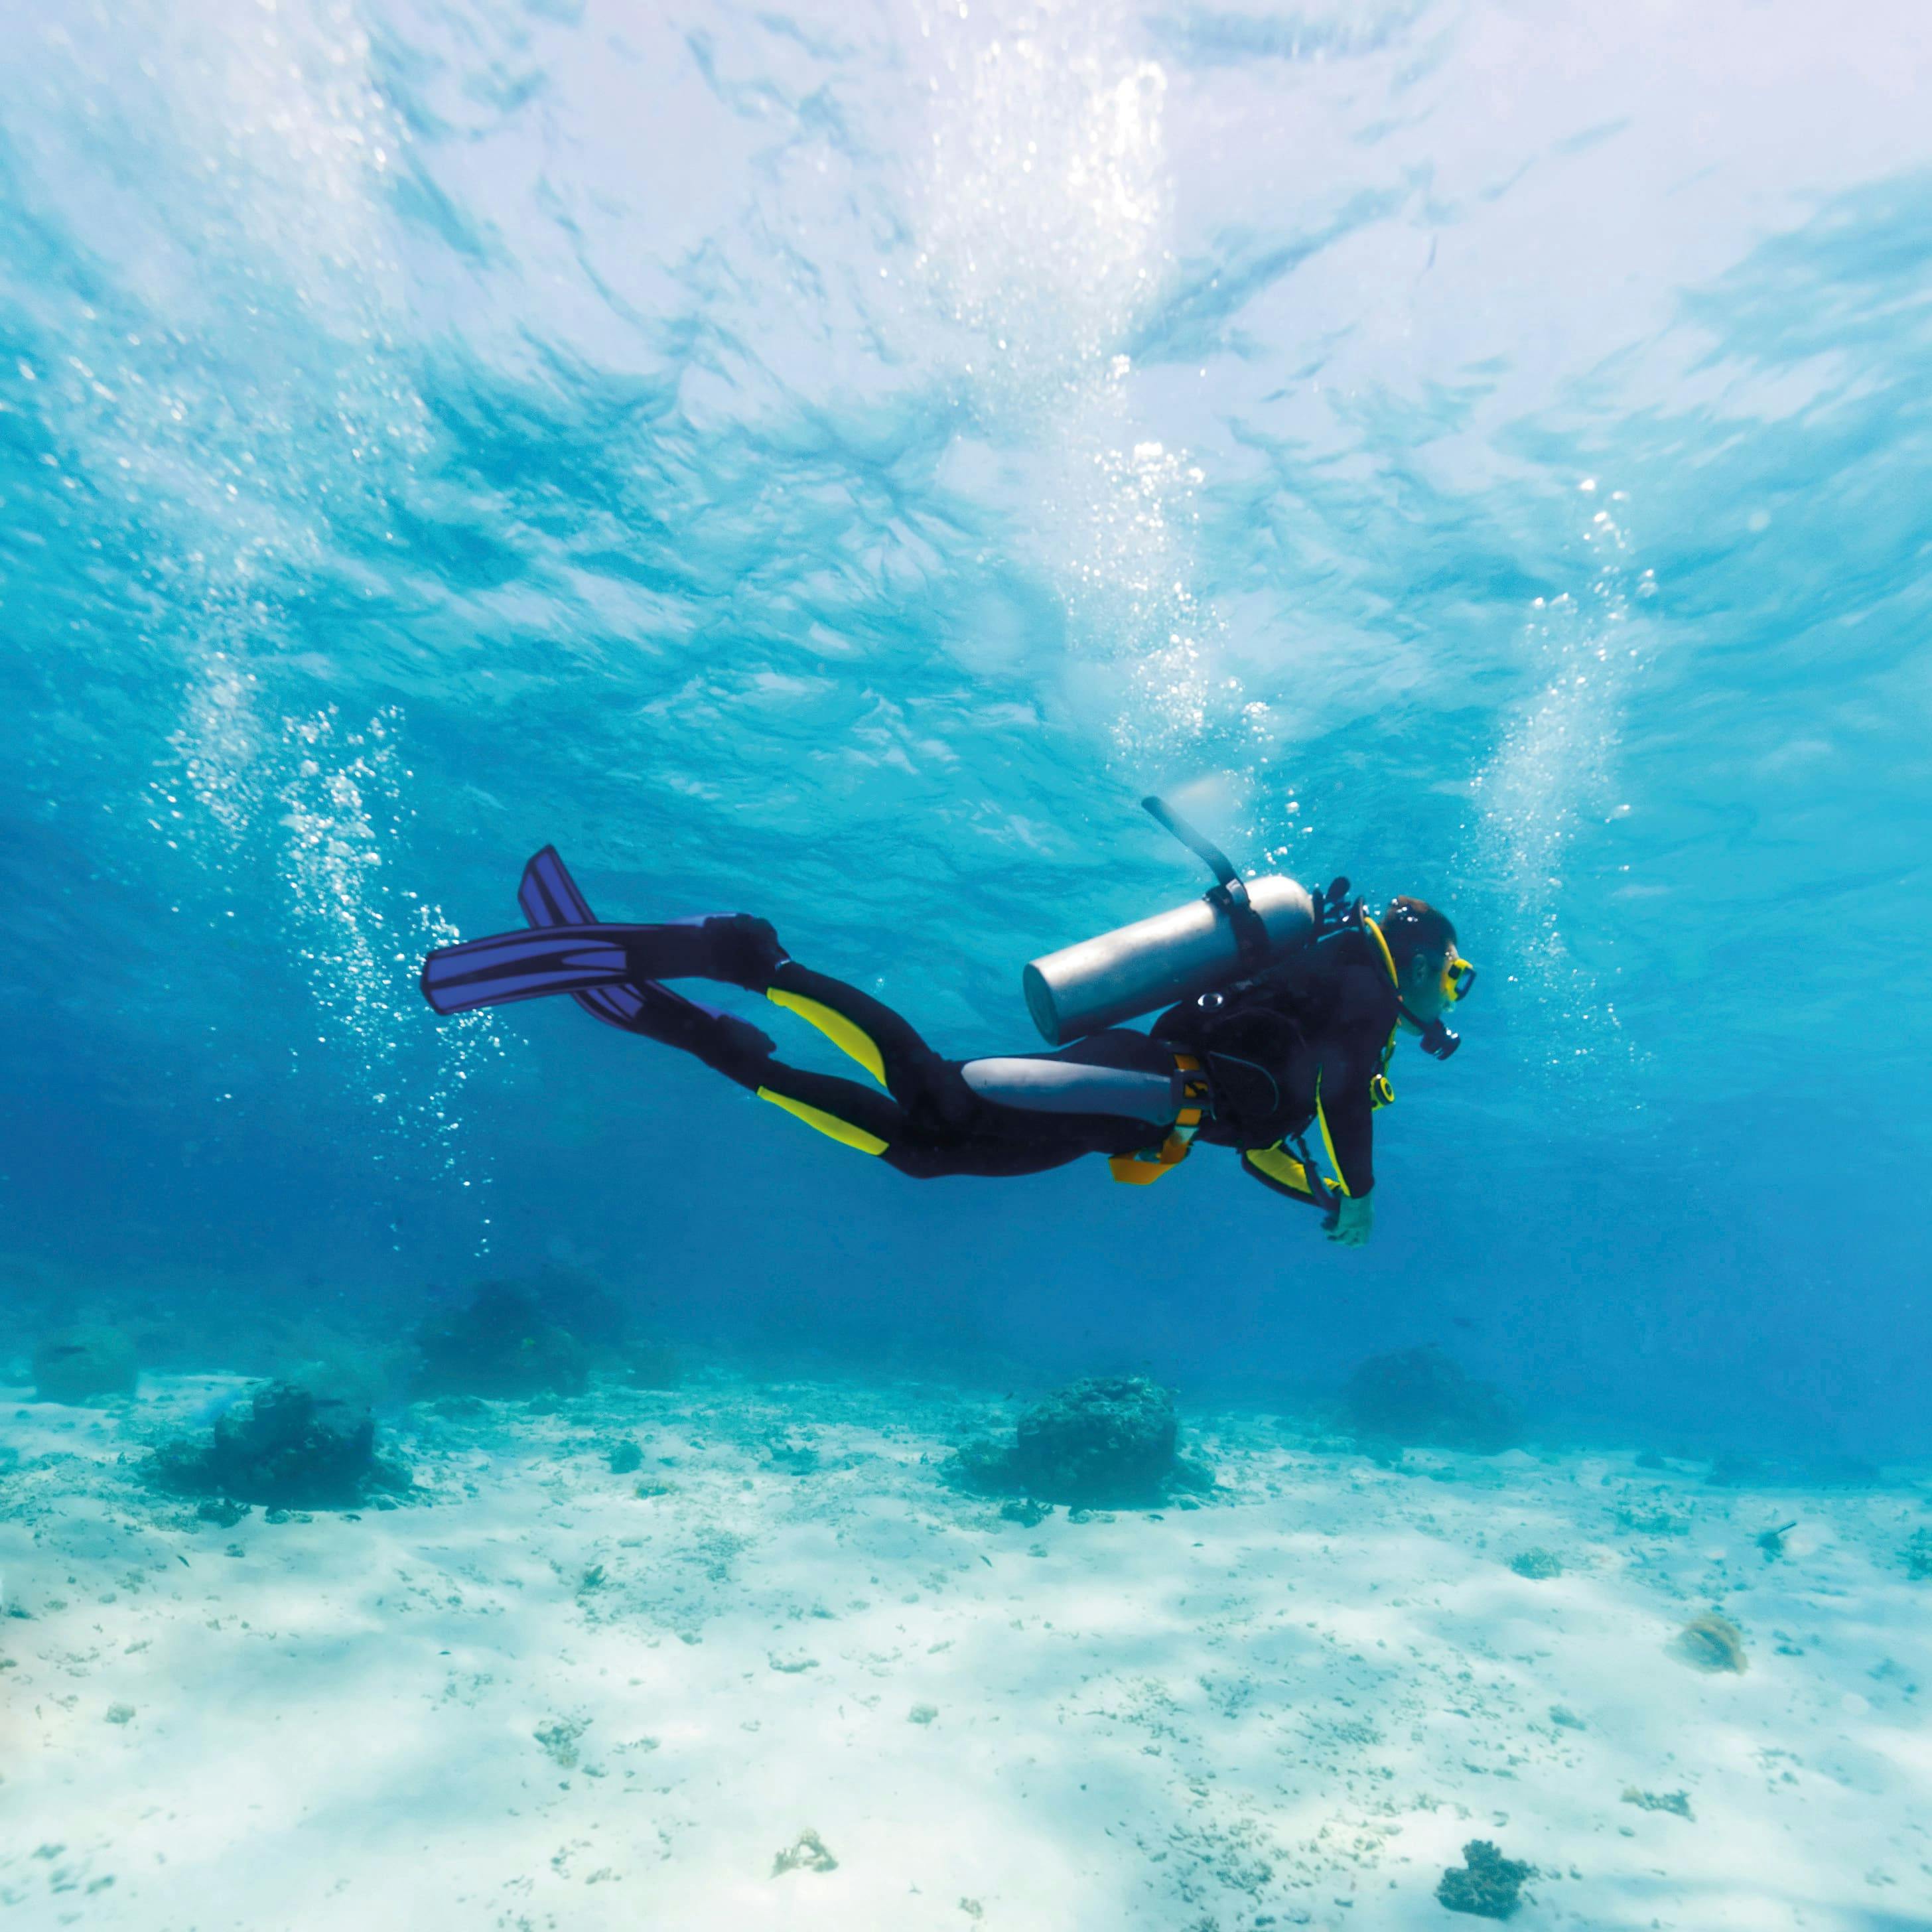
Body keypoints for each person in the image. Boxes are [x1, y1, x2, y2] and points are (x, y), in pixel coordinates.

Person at [419, 847, 1474, 1249]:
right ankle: (748, 959)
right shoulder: (1363, 989)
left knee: (927, 1150)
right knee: (940, 1096)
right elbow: (1330, 1104)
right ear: (1418, 959)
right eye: (1455, 975)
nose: (1451, 997)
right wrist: (1365, 1190)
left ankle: (704, 1038)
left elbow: (1272, 1134)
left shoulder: (1339, 998)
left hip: (1145, 1101)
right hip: (1143, 1083)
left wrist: (1325, 1200)